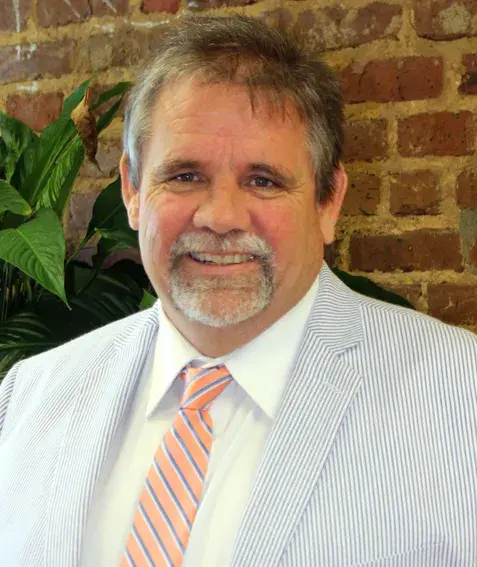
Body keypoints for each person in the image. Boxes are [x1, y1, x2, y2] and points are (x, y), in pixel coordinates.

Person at [0, 13, 476, 567]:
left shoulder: (459, 398)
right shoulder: (31, 397)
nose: (221, 216)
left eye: (263, 180)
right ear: (132, 190)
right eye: (185, 176)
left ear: (328, 202)